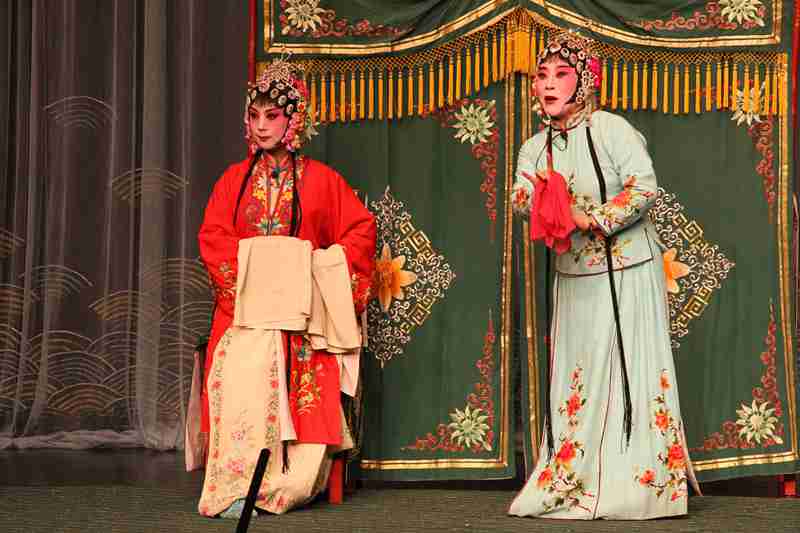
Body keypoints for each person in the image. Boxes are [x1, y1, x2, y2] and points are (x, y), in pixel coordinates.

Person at [509, 31, 699, 520]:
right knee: (580, 375)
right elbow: (521, 197)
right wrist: (540, 199)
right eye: (542, 76)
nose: (549, 85)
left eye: (561, 74)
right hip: (574, 275)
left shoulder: (613, 130)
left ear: (585, 82)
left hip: (629, 270)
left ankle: (636, 485)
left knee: (629, 369)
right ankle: (574, 478)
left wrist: (587, 217)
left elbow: (643, 188)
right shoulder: (535, 147)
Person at [196, 55, 375, 518]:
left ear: (293, 120)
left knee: (311, 392)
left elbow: (360, 233)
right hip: (246, 316)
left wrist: (314, 268)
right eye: (254, 115)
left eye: (272, 116)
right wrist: (257, 279)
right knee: (238, 368)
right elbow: (213, 238)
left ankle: (282, 488)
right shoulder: (232, 182)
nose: (261, 126)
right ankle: (237, 486)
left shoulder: (322, 181)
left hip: (302, 322)